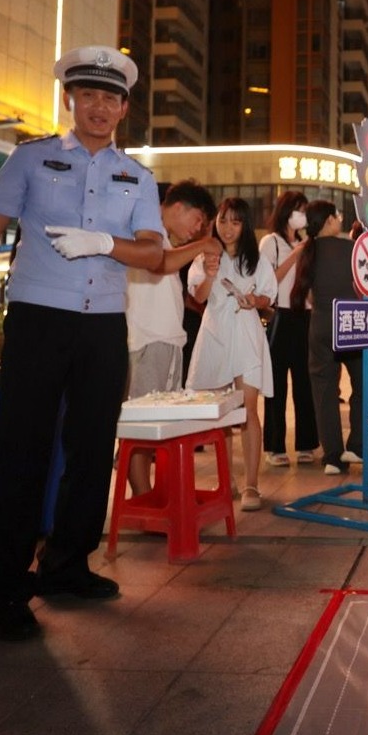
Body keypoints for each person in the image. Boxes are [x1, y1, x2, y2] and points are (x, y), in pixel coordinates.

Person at [0, 46, 217, 641]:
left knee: (93, 450)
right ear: (70, 99)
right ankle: (8, 587)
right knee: (23, 450)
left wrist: (103, 245)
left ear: (124, 108)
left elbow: (152, 253)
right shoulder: (30, 158)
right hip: (39, 318)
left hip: (101, 328)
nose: (98, 107)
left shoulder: (137, 178)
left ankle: (68, 565)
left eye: (110, 98)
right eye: (87, 95)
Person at [125, 180, 219, 499]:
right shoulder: (147, 231)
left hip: (166, 342)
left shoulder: (165, 239)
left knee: (158, 427)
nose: (197, 230)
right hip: (147, 341)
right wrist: (203, 245)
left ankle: (153, 494)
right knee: (141, 427)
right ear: (178, 207)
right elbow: (157, 263)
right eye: (197, 221)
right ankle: (142, 497)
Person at [186, 198, 276, 512]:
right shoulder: (204, 256)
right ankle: (227, 481)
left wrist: (255, 299)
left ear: (245, 225)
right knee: (219, 412)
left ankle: (251, 483)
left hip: (247, 334)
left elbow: (269, 296)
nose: (227, 228)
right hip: (215, 334)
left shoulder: (257, 260)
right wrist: (210, 274)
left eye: (235, 222)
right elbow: (198, 296)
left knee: (248, 409)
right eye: (223, 221)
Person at [293, 200, 368, 475]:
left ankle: (332, 457)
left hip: (319, 324)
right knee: (365, 384)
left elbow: (306, 293)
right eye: (337, 216)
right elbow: (367, 284)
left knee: (324, 391)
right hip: (350, 322)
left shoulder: (307, 250)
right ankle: (356, 445)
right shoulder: (350, 249)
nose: (339, 220)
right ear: (329, 220)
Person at [259, 191, 319, 467]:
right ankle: (275, 446)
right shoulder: (271, 242)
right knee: (277, 385)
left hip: (304, 317)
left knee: (305, 384)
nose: (302, 216)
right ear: (285, 212)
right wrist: (296, 253)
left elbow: (307, 285)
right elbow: (268, 281)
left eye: (304, 211)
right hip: (280, 317)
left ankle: (307, 444)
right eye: (298, 210)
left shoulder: (306, 243)